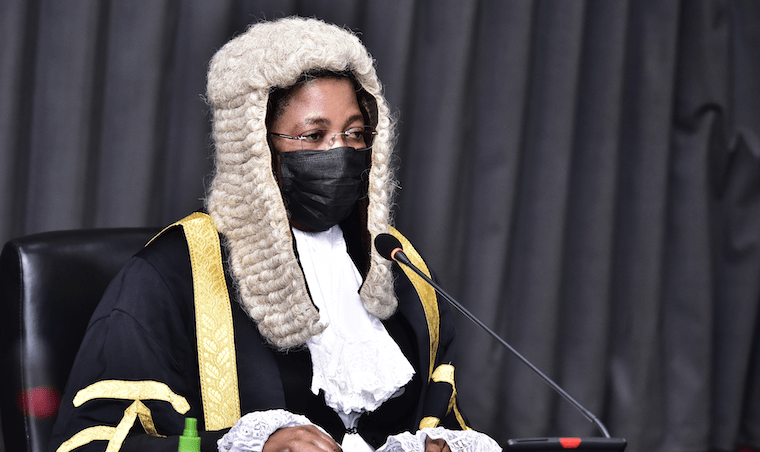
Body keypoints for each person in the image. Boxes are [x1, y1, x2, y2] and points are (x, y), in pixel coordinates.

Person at [48, 17, 499, 452]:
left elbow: (440, 418)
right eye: (314, 135)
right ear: (256, 145)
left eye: (354, 133)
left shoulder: (397, 264)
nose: (340, 152)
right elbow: (89, 442)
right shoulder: (171, 272)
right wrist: (243, 447)